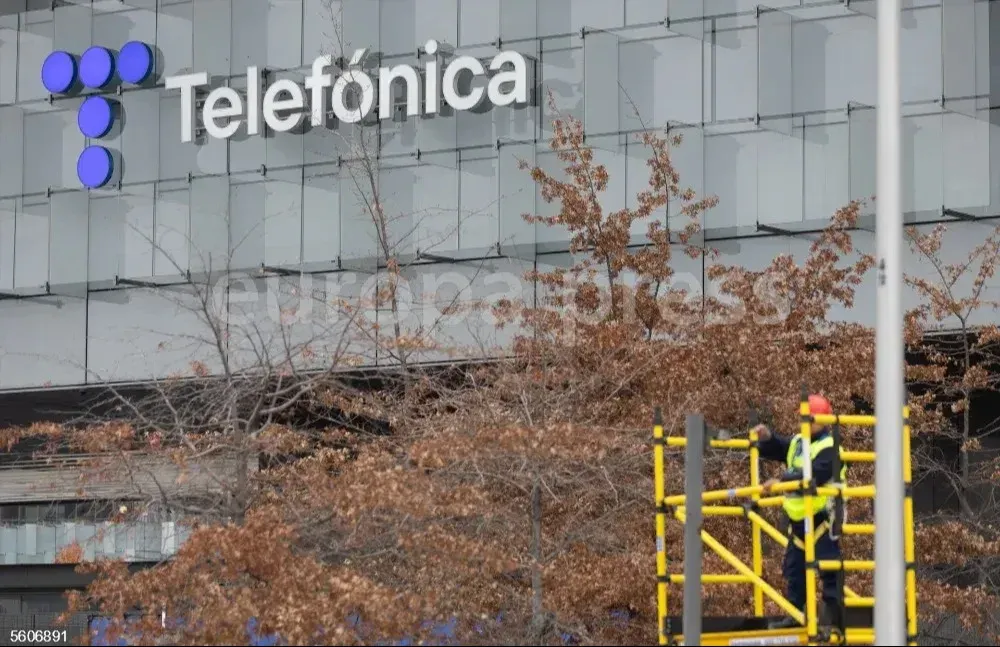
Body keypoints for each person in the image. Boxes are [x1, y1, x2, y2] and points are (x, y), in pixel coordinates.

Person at [751, 394, 846, 630]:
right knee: (794, 570)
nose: (803, 423)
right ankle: (795, 614)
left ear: (822, 420)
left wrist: (781, 479)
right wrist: (768, 437)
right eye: (802, 418)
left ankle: (832, 617)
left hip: (823, 517)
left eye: (808, 419)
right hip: (798, 520)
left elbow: (816, 473)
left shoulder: (830, 446)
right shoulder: (797, 442)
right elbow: (780, 447)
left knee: (828, 567)